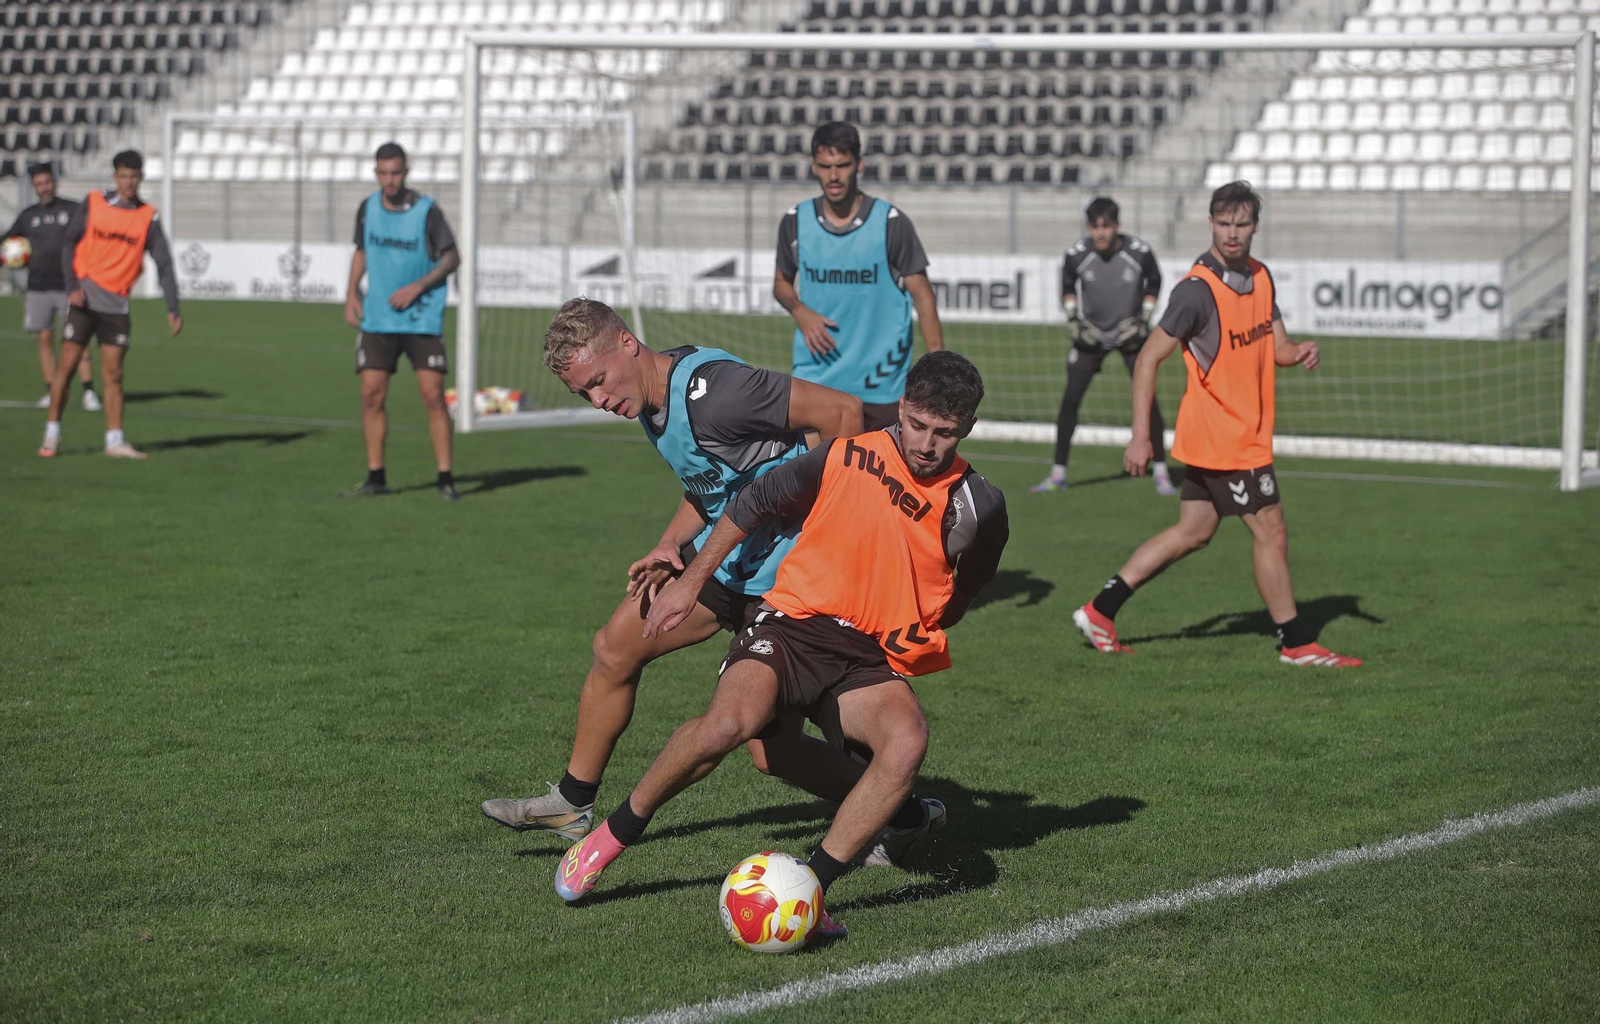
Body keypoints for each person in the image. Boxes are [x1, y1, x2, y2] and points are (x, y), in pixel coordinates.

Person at [553, 352, 1009, 942]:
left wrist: (915, 621)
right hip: (790, 625)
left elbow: (965, 588)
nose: (925, 443)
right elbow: (752, 504)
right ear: (901, 409)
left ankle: (808, 892)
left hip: (866, 655)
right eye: (917, 424)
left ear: (966, 428)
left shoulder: (980, 506)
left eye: (943, 433)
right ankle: (609, 838)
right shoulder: (847, 454)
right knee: (727, 727)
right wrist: (688, 582)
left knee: (905, 743)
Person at [484, 298, 949, 868]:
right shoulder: (652, 400)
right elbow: (712, 480)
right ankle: (573, 803)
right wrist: (667, 544)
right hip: (725, 560)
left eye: (599, 382)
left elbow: (842, 413)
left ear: (627, 342)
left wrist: (818, 513)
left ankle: (897, 812)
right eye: (585, 394)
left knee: (769, 752)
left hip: (785, 578)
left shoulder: (719, 391)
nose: (599, 401)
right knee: (614, 647)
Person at [1070, 182, 1361, 668]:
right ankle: (1296, 642)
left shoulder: (1261, 277)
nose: (1232, 233)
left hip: (1228, 438)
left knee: (1194, 531)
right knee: (1272, 532)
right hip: (1228, 441)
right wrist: (1141, 435)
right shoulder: (1196, 291)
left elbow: (1277, 347)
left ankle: (1101, 610)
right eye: (1223, 223)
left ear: (1255, 227)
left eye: (1241, 224)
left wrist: (1298, 352)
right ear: (1210, 223)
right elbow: (1147, 359)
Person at [774, 121, 944, 431]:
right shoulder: (796, 221)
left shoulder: (890, 223)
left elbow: (923, 297)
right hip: (815, 382)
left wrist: (939, 364)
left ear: (859, 165)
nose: (834, 176)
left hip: (881, 388)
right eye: (825, 166)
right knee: (815, 479)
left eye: (842, 165)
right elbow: (781, 284)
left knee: (879, 479)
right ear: (814, 167)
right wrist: (801, 312)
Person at [39, 151, 181, 460]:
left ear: (140, 178)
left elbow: (164, 263)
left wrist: (173, 306)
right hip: (84, 300)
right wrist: (72, 286)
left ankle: (114, 441)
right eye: (123, 176)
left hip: (116, 306)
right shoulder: (94, 203)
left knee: (113, 374)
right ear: (115, 177)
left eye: (134, 176)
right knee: (67, 366)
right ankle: (52, 432)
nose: (129, 182)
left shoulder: (148, 217)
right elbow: (69, 243)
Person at [1033, 196, 1174, 496]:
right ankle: (1058, 473)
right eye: (1095, 227)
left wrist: (1144, 317)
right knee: (1070, 400)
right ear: (1088, 227)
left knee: (1147, 400)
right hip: (1092, 335)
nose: (1100, 233)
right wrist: (1073, 319)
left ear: (1117, 226)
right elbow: (1068, 287)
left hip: (1130, 333)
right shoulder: (1076, 254)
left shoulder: (1139, 252)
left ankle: (1161, 471)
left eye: (1106, 227)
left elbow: (1154, 282)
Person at [342, 142, 460, 499]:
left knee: (433, 397)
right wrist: (350, 293)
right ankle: (376, 477)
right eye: (383, 173)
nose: (389, 180)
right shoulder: (367, 208)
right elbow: (361, 251)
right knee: (370, 395)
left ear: (405, 172)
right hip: (378, 319)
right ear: (376, 173)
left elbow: (452, 258)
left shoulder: (427, 211)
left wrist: (419, 286)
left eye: (396, 172)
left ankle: (445, 478)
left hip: (421, 318)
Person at [6, 163, 97, 410]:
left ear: (54, 182)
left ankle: (89, 391)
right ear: (34, 187)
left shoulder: (72, 209)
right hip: (38, 287)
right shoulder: (27, 216)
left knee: (77, 340)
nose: (44, 188)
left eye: (47, 182)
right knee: (44, 338)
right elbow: (8, 242)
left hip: (70, 286)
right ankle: (51, 390)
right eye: (39, 184)